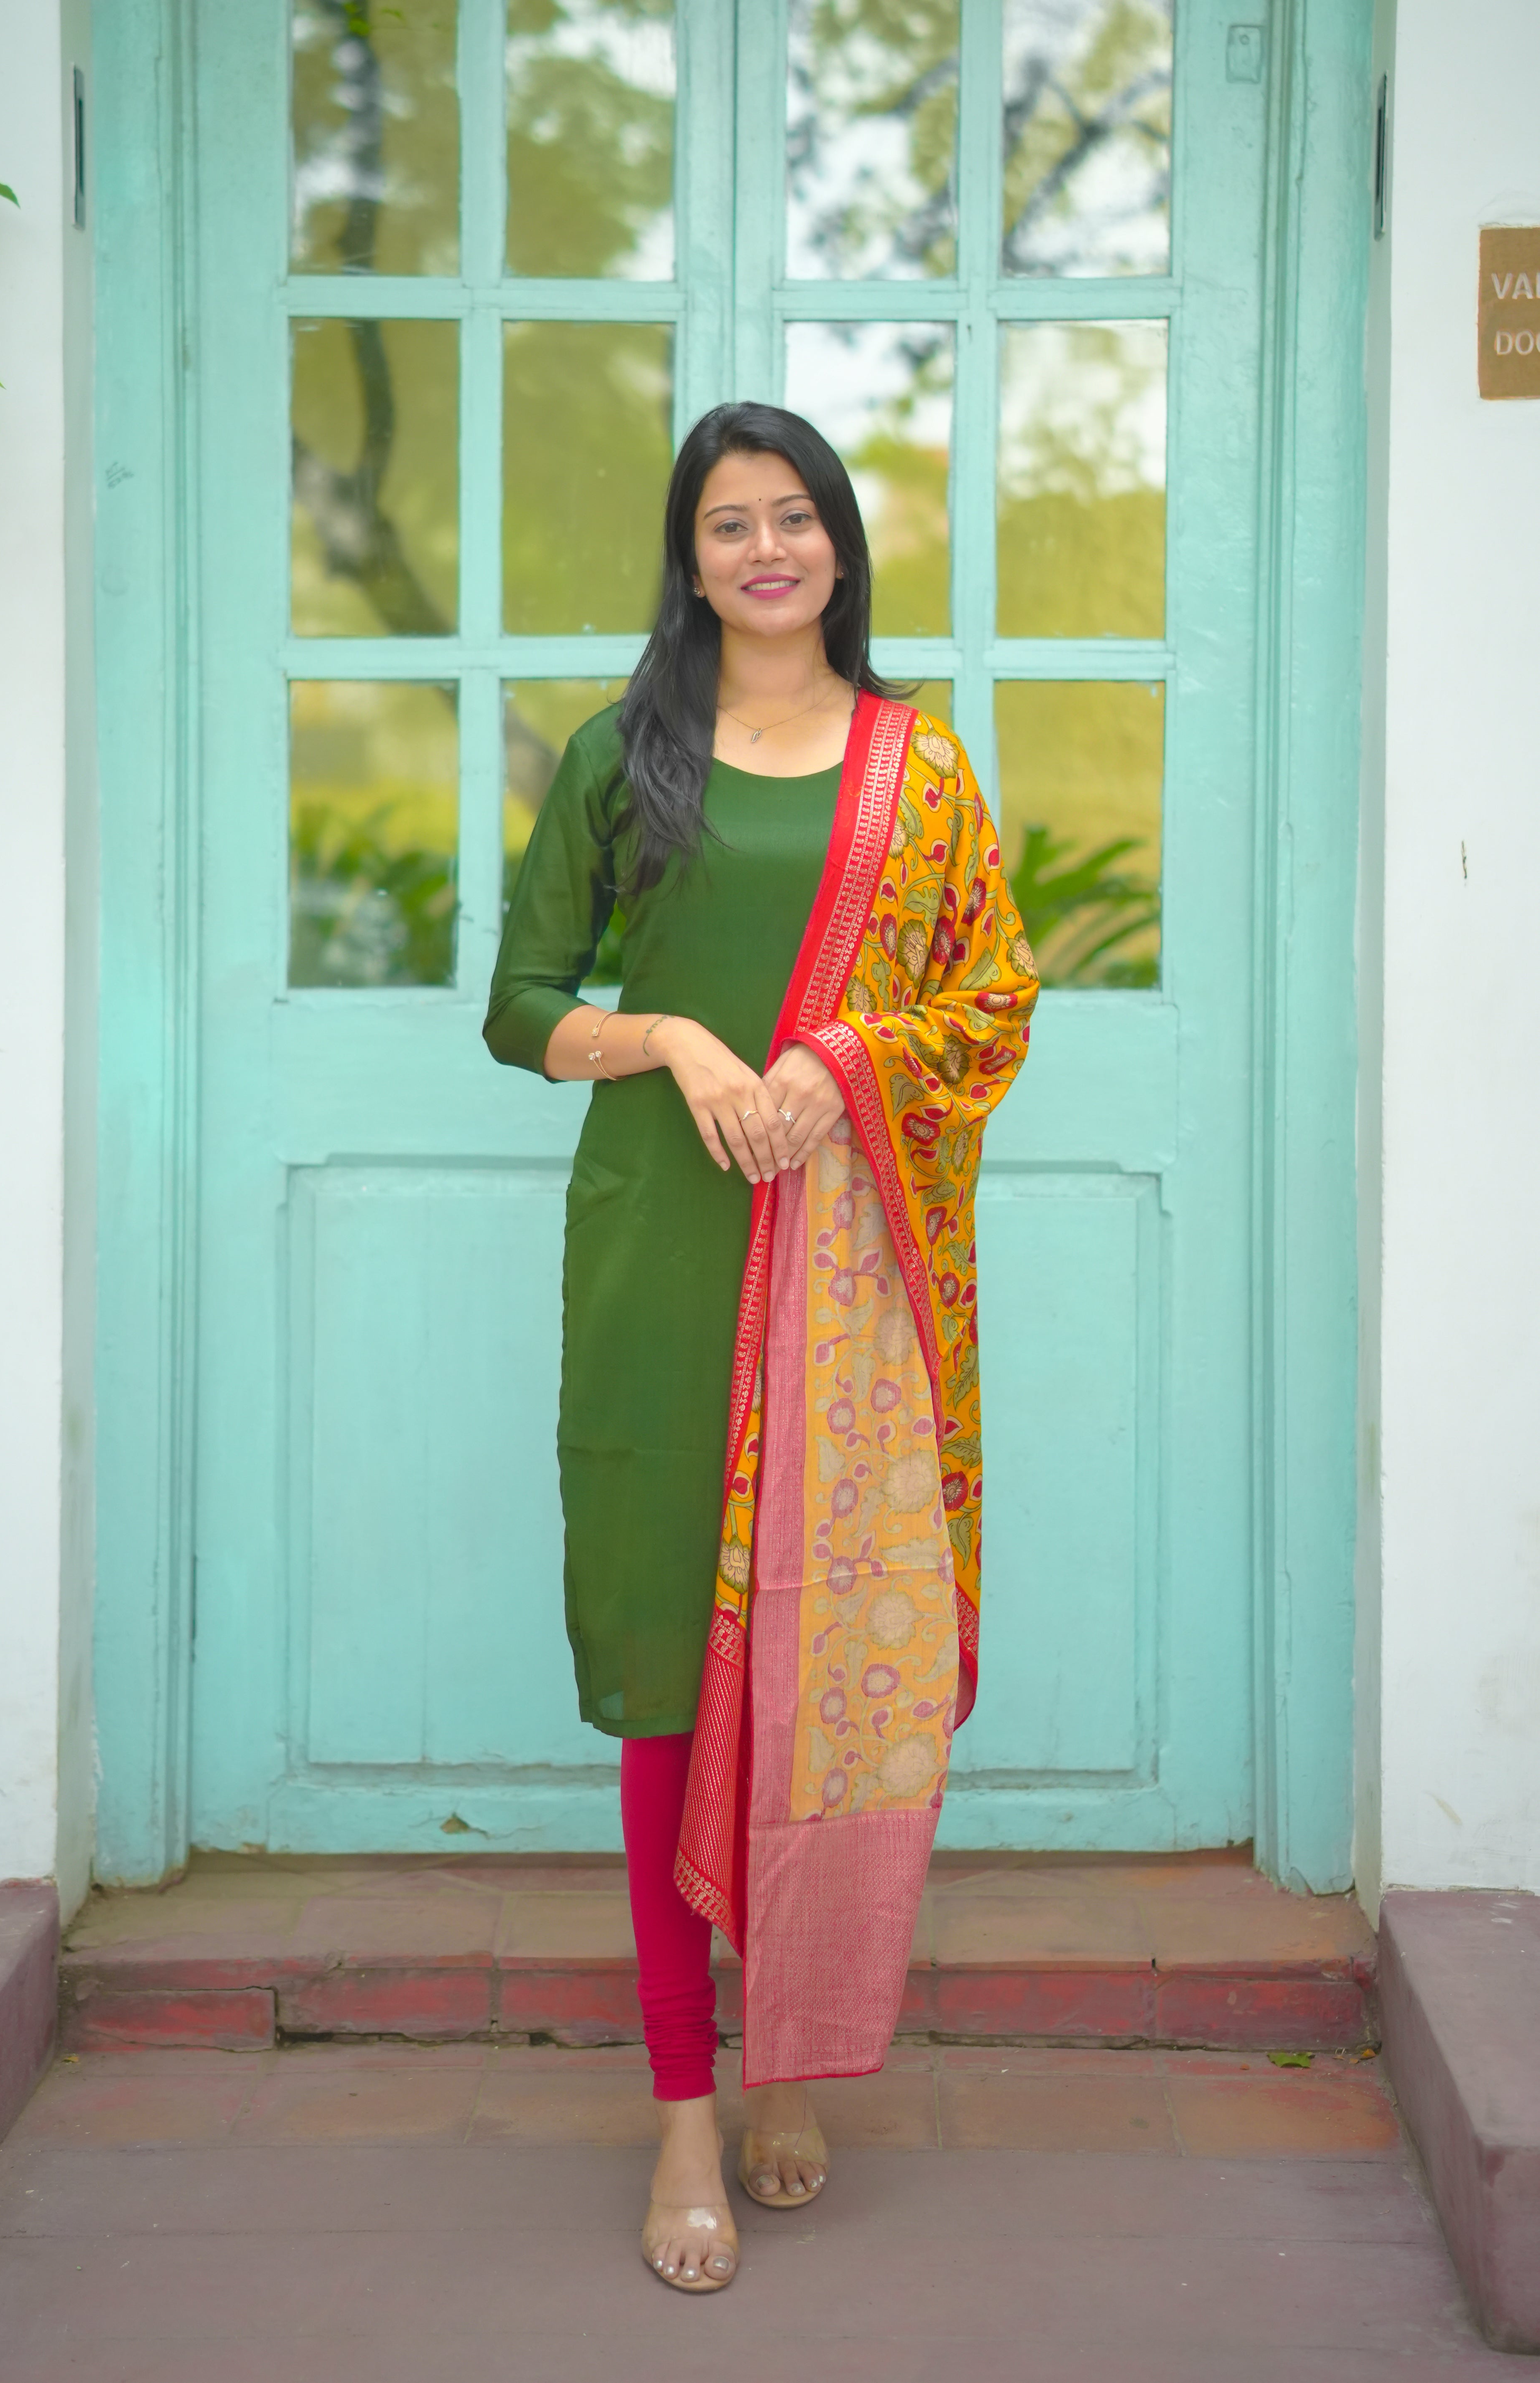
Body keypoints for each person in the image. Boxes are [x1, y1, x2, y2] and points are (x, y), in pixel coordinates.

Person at [484, 401, 1039, 2292]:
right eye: (727, 523)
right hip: (663, 1259)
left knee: (823, 1681)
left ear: (836, 545)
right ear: (689, 554)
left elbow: (993, 997)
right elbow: (520, 1004)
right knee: (665, 1688)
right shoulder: (618, 755)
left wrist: (838, 1057)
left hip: (852, 1282)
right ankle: (682, 2114)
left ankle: (795, 2057)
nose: (764, 549)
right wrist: (685, 1043)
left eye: (792, 516)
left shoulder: (919, 766)